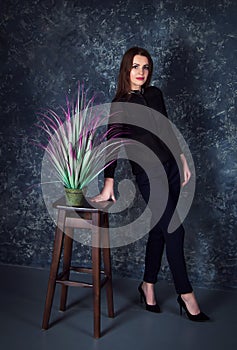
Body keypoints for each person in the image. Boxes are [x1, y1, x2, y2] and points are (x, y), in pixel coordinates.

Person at [92, 47, 209, 321]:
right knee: (174, 230)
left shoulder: (155, 94)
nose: (141, 73)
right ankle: (186, 294)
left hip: (169, 167)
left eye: (145, 67)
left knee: (159, 230)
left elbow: (166, 126)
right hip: (147, 174)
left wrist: (181, 157)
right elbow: (112, 145)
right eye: (135, 67)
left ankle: (148, 286)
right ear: (126, 69)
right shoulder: (119, 103)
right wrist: (108, 181)